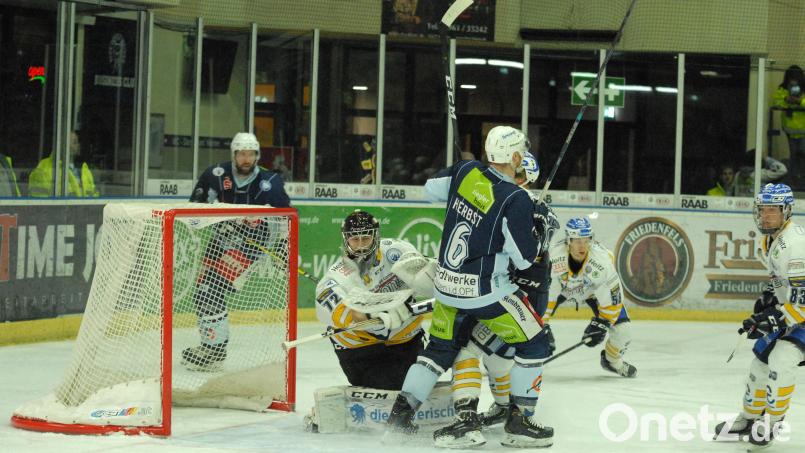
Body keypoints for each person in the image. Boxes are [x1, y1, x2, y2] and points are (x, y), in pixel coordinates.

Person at [385, 125, 556, 448]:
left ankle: (399, 419)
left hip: (445, 285)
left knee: (437, 352)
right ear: (516, 156)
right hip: (485, 291)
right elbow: (524, 259)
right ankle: (519, 421)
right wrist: (540, 230)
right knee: (535, 344)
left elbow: (431, 189)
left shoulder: (466, 170)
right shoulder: (516, 198)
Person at [432, 156, 559, 448]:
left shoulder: (517, 202)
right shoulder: (516, 202)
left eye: (524, 173)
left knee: (472, 351)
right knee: (486, 354)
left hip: (508, 305)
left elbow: (529, 265)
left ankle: (491, 416)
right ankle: (511, 414)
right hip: (497, 303)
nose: (519, 176)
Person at [181, 132, 291, 370]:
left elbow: (286, 218)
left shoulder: (270, 181)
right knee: (202, 290)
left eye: (250, 154)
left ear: (257, 155)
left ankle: (214, 350)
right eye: (241, 153)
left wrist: (284, 247)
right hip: (220, 241)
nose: (246, 159)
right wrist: (217, 216)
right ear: (234, 155)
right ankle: (211, 346)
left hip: (250, 246)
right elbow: (193, 211)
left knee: (210, 288)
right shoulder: (215, 175)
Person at [714, 183, 805, 448]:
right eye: (762, 210)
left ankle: (772, 423)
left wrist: (775, 318)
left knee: (781, 359)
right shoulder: (771, 239)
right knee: (759, 365)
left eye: (772, 211)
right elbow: (783, 282)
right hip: (794, 314)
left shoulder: (796, 244)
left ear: (786, 211)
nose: (765, 216)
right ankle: (750, 418)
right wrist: (770, 300)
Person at [314, 210, 434, 389]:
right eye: (355, 239)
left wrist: (429, 280)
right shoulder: (338, 276)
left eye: (365, 238)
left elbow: (430, 273)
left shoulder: (398, 251)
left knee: (422, 382)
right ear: (346, 240)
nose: (361, 246)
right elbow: (339, 312)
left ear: (375, 236)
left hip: (404, 340)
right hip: (361, 351)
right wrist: (370, 316)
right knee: (389, 386)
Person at [545, 216, 637, 378]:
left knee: (624, 331)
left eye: (587, 240)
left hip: (592, 291)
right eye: (578, 241)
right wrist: (542, 325)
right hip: (563, 288)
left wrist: (601, 323)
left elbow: (613, 300)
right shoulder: (553, 258)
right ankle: (511, 359)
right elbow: (546, 293)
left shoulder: (602, 262)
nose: (583, 245)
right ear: (569, 241)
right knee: (531, 323)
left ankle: (612, 361)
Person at [28, 131, 99, 197]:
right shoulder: (45, 168)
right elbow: (39, 202)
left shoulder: (84, 169)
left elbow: (94, 196)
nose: (78, 145)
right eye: (75, 142)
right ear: (63, 145)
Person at [773, 66, 805, 186]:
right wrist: (786, 99)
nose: (793, 82)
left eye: (795, 78)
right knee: (794, 154)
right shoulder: (782, 89)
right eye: (791, 78)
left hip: (804, 129)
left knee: (802, 151)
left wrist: (799, 101)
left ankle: (802, 177)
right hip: (790, 130)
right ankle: (795, 179)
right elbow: (776, 102)